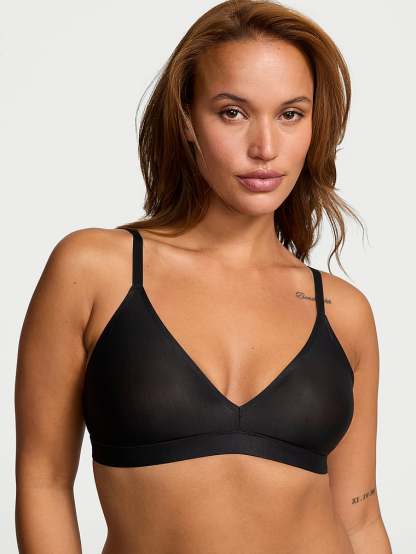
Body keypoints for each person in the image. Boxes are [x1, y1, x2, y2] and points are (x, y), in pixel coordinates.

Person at [14, 1, 392, 552]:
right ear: (187, 119)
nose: (265, 148)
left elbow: (358, 519)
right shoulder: (96, 270)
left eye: (291, 114)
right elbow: (43, 483)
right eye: (233, 112)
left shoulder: (342, 311)